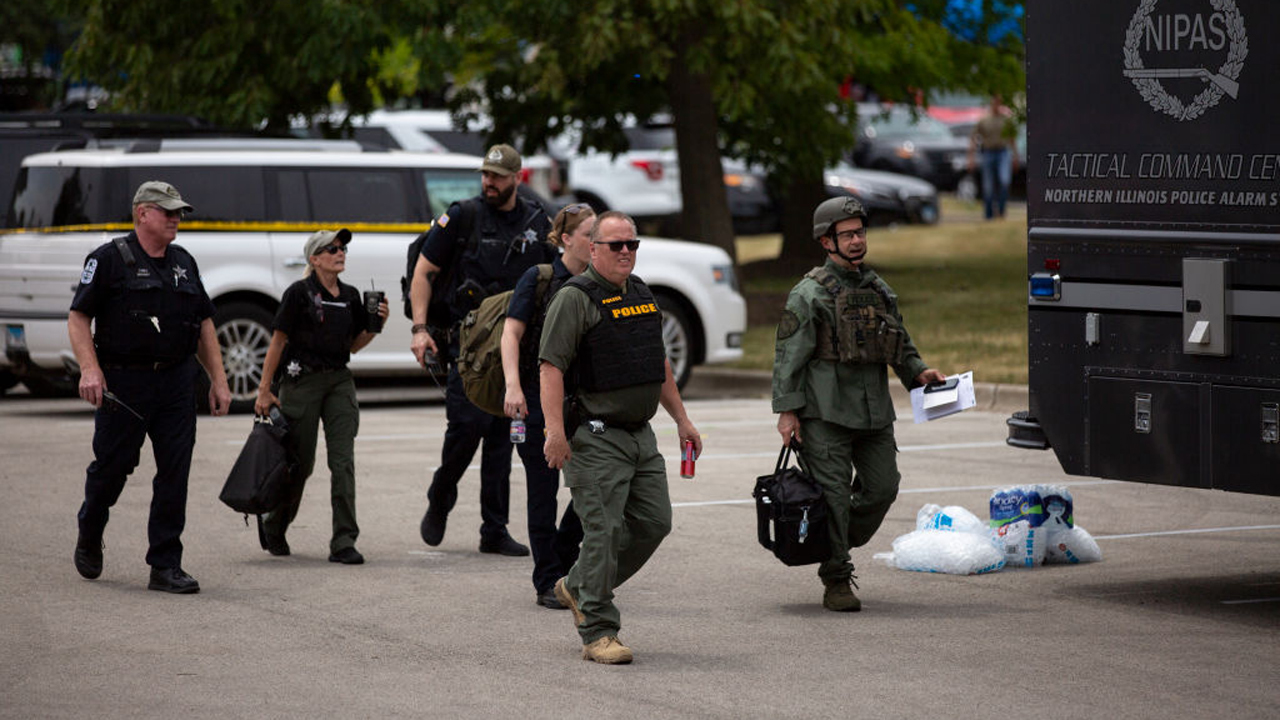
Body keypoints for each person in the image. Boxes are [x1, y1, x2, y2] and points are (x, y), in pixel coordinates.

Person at [540, 211, 702, 665]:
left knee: (654, 522)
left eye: (632, 244)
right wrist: (554, 433)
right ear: (593, 249)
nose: (626, 251)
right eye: (616, 245)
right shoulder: (574, 298)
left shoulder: (643, 295)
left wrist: (682, 420)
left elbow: (659, 365)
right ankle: (598, 629)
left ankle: (578, 586)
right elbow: (550, 367)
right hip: (594, 435)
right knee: (604, 530)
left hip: (640, 436)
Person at [772, 196, 946, 612]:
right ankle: (836, 578)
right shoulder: (808, 293)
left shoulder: (878, 289)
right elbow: (788, 356)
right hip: (826, 413)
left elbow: (899, 342)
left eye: (860, 232)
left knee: (883, 487)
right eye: (847, 234)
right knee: (832, 497)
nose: (856, 240)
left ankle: (828, 536)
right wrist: (787, 411)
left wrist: (919, 372)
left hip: (873, 412)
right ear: (826, 241)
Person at [69, 180, 232, 594]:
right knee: (112, 469)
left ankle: (165, 563)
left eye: (179, 212)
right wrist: (90, 370)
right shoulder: (108, 260)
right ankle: (91, 527)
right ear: (142, 213)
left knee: (174, 472)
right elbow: (78, 318)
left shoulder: (184, 262)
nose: (176, 218)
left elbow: (205, 323)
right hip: (125, 382)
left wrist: (219, 378)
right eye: (167, 211)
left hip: (177, 381)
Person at [409, 144, 556, 556]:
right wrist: (420, 329)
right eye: (485, 175)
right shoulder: (462, 216)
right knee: (466, 428)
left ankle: (494, 529)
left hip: (517, 346)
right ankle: (441, 495)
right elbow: (424, 272)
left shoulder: (534, 219)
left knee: (502, 436)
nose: (489, 182)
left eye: (498, 176)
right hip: (470, 345)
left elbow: (555, 274)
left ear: (517, 178)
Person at [253, 228, 388, 565]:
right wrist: (265, 389)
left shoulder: (351, 295)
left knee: (343, 462)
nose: (339, 253)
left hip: (339, 380)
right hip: (301, 381)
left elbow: (352, 346)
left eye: (342, 248)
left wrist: (373, 326)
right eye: (331, 249)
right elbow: (278, 341)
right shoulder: (298, 293)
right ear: (314, 259)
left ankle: (344, 541)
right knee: (300, 463)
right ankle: (275, 526)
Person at [500, 203, 594, 609]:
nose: (598, 242)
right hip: (537, 398)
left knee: (592, 484)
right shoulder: (539, 278)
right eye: (590, 234)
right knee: (543, 491)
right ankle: (547, 580)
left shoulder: (598, 282)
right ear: (567, 238)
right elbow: (511, 334)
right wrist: (513, 388)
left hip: (583, 403)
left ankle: (562, 556)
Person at [967, 94, 1019, 220]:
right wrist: (971, 157)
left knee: (1004, 181)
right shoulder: (984, 120)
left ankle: (1001, 211)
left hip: (1003, 152)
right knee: (988, 186)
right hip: (988, 153)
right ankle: (989, 214)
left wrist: (1015, 156)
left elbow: (1012, 139)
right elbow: (973, 138)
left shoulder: (1006, 120)